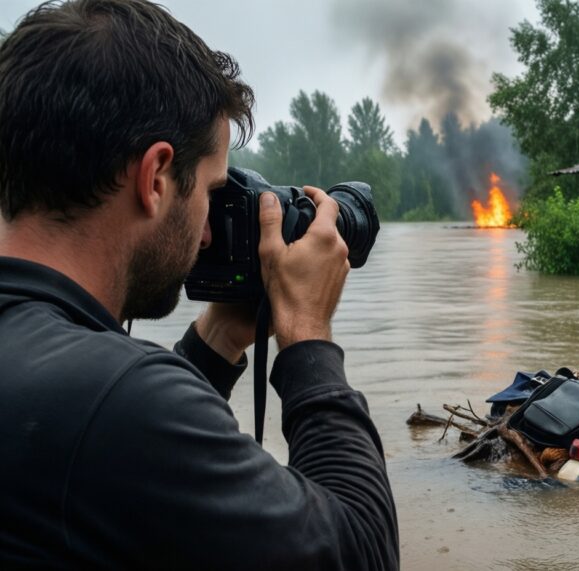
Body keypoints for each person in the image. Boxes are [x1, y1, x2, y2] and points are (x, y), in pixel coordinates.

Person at [0, 0, 398, 569]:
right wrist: (307, 331)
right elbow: (361, 552)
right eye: (211, 192)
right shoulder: (121, 400)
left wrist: (221, 334)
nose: (208, 232)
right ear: (155, 178)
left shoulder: (54, 377)